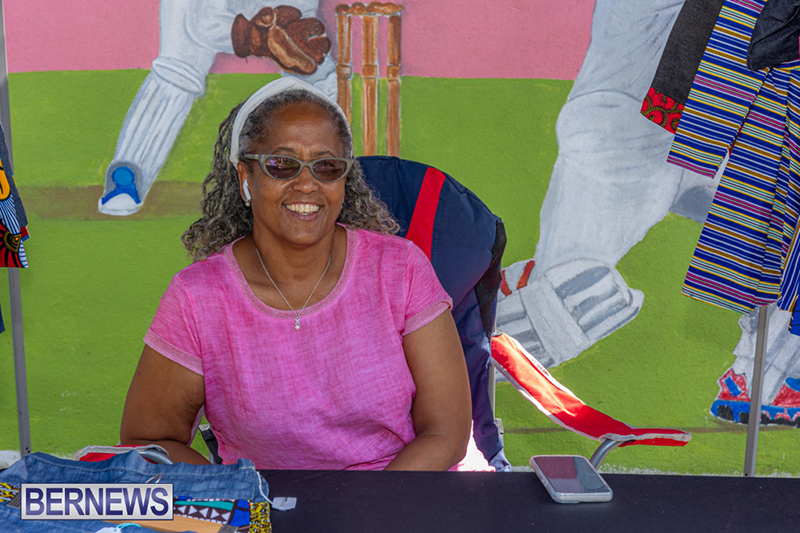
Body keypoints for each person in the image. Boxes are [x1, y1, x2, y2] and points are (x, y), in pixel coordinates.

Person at [120, 77, 492, 471]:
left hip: (398, 493)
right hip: (263, 503)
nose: (306, 184)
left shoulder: (400, 269)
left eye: (326, 166)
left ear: (344, 180)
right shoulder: (198, 298)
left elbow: (447, 434)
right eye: (282, 165)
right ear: (246, 178)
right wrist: (233, 495)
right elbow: (149, 439)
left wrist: (370, 505)